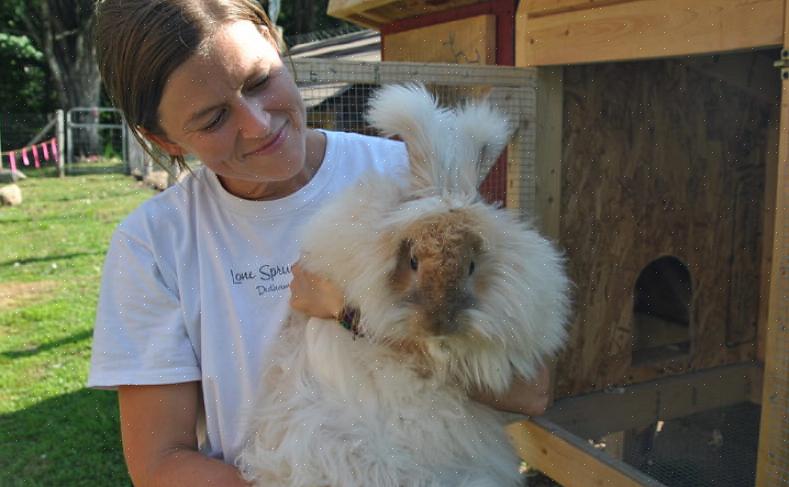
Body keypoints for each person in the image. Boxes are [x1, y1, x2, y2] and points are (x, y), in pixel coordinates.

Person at [87, 1, 551, 485]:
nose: (259, 125)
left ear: (277, 45)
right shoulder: (154, 244)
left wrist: (352, 313)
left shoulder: (410, 180)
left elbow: (529, 390)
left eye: (260, 81)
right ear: (165, 140)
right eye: (212, 119)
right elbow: (159, 462)